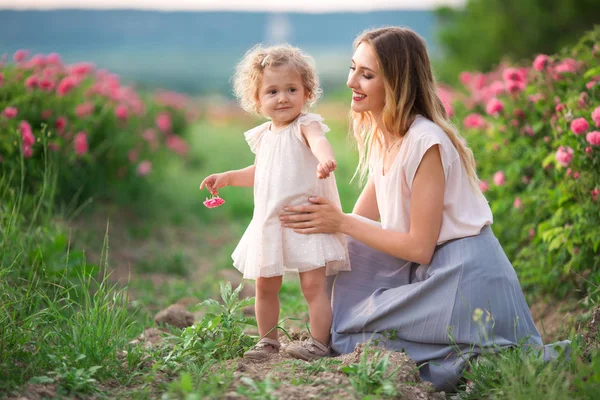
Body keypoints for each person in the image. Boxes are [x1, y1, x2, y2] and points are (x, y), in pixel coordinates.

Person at [279, 27, 556, 391]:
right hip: (433, 272)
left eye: (367, 74)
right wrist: (312, 219)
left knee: (356, 339)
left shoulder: (426, 142)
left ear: (397, 82)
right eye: (353, 68)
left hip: (465, 279)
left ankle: (485, 354)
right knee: (344, 294)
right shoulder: (385, 136)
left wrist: (341, 221)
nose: (351, 82)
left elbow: (418, 247)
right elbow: (358, 225)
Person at [199, 44, 350, 362]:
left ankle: (319, 342)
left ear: (306, 92)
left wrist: (326, 160)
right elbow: (261, 171)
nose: (282, 97)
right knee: (265, 286)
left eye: (291, 89)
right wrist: (227, 177)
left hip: (306, 220)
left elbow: (319, 143)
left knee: (313, 287)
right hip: (271, 222)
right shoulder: (265, 135)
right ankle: (268, 341)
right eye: (272, 91)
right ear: (257, 99)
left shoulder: (305, 125)